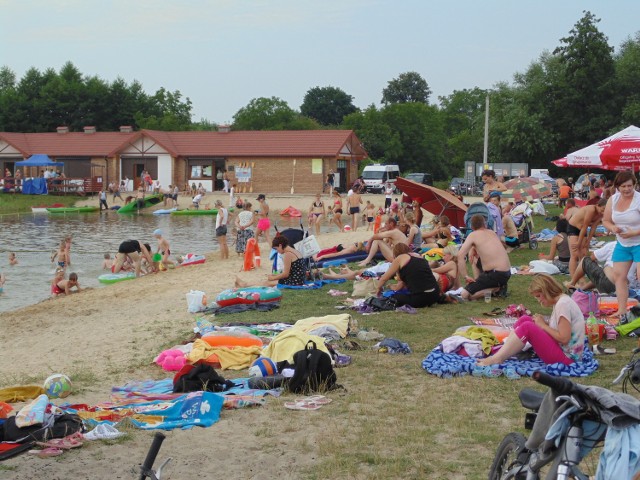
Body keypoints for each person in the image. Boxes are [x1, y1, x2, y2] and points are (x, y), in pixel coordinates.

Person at [477, 274, 585, 366]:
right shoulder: (560, 301)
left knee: (528, 327)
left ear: (546, 291)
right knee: (525, 319)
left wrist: (543, 325)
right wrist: (545, 323)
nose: (539, 300)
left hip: (567, 358)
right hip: (564, 351)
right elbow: (563, 328)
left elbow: (564, 338)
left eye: (539, 296)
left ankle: (497, 358)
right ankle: (506, 347)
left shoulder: (563, 304)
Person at [602, 170, 640, 318]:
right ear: (617, 186)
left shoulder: (638, 199)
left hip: (638, 242)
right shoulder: (613, 199)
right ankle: (622, 310)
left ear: (634, 184)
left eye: (629, 186)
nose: (626, 189)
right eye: (623, 186)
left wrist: (634, 232)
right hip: (623, 244)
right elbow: (605, 220)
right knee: (619, 276)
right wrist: (612, 228)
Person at [449, 214, 511, 302]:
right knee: (474, 259)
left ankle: (495, 290)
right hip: (506, 272)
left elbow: (460, 255)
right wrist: (473, 248)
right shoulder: (491, 232)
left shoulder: (473, 235)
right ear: (484, 224)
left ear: (472, 226)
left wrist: (465, 276)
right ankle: (485, 284)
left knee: (465, 294)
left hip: (495, 274)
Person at [376, 243, 440, 308]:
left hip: (420, 298)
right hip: (435, 295)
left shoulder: (400, 258)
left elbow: (384, 278)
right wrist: (390, 286)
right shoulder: (419, 257)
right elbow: (398, 287)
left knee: (394, 297)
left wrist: (379, 288)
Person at [235, 235, 305, 287]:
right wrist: (274, 275)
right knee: (269, 279)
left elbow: (286, 274)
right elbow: (291, 271)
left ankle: (244, 285)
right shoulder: (295, 251)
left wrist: (273, 277)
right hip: (298, 279)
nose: (277, 251)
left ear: (280, 245)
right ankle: (245, 284)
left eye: (276, 248)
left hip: (294, 282)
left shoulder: (288, 254)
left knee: (267, 283)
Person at [567, 198, 606, 276]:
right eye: (603, 209)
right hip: (573, 227)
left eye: (606, 210)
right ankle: (573, 277)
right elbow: (585, 226)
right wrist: (578, 242)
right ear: (598, 205)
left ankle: (580, 276)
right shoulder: (591, 209)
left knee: (583, 253)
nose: (604, 212)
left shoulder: (601, 214)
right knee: (575, 254)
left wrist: (588, 241)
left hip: (582, 230)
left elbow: (593, 227)